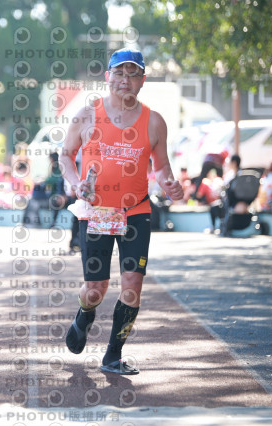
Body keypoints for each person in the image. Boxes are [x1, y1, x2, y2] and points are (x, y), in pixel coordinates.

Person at [60, 48, 184, 375]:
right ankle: (84, 315)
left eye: (133, 74)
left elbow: (162, 166)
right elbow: (65, 155)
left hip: (136, 211)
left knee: (132, 284)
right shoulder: (87, 115)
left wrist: (170, 184)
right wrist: (75, 183)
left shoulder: (154, 121)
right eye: (119, 73)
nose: (125, 80)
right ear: (108, 77)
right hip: (96, 212)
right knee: (95, 290)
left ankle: (113, 356)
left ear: (143, 80)